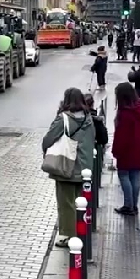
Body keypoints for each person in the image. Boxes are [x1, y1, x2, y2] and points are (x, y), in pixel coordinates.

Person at [42, 88, 96, 247]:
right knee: (81, 201)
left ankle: (69, 236)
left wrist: (46, 151)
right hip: (85, 167)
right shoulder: (88, 118)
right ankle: (82, 232)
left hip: (67, 167)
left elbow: (48, 139)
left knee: (66, 203)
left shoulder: (63, 119)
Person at [112, 82, 140, 215]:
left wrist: (116, 151)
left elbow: (121, 136)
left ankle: (128, 205)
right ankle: (134, 205)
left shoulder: (125, 113)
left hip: (127, 150)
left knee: (124, 175)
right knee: (135, 176)